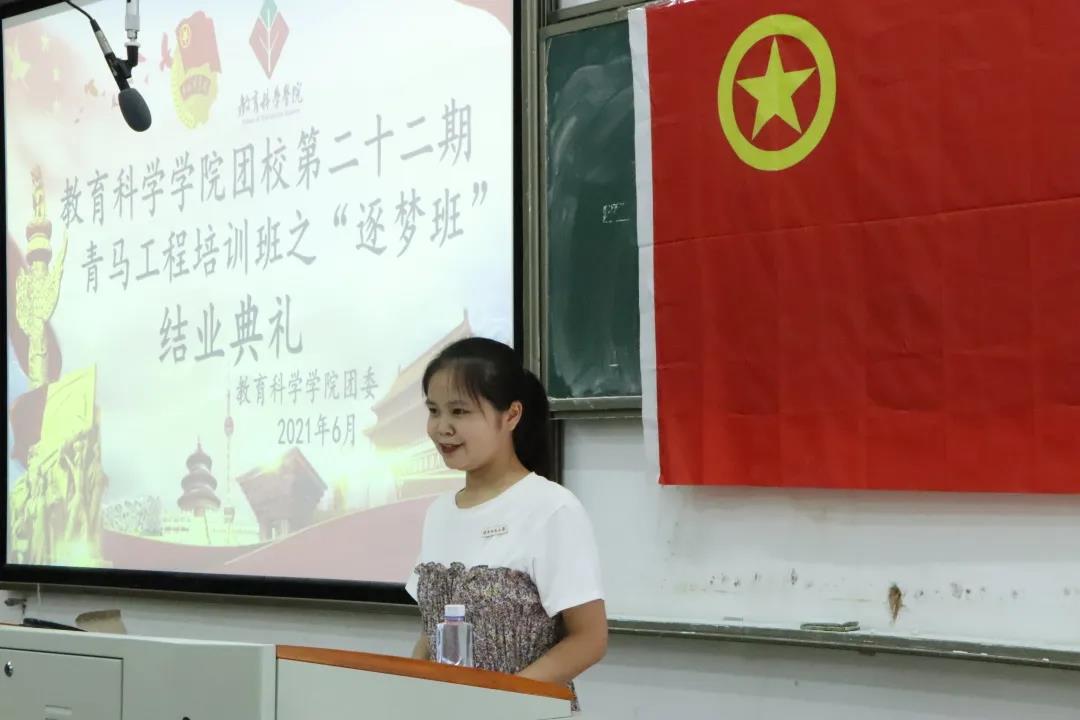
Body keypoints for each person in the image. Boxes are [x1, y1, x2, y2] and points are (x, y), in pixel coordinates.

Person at [406, 337, 607, 701]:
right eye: (434, 411)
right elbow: (430, 633)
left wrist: (501, 700)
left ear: (511, 415)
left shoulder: (552, 508)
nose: (442, 427)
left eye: (459, 412)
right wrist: (406, 692)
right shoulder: (439, 513)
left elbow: (589, 640)